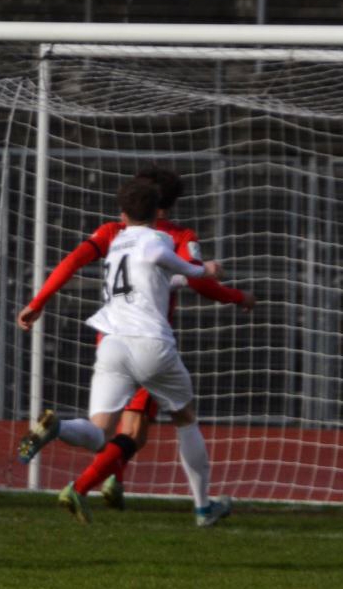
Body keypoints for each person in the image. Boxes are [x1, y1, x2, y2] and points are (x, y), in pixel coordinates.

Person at [16, 166, 255, 509]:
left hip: (111, 339)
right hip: (150, 343)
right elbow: (198, 280)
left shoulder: (114, 233)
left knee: (101, 430)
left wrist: (38, 302)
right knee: (144, 429)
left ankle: (87, 458)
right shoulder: (175, 236)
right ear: (163, 205)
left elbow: (72, 262)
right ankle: (193, 504)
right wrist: (235, 295)